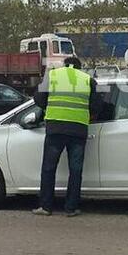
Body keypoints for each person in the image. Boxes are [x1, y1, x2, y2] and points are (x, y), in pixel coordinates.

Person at [32, 56, 96, 217]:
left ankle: (46, 207)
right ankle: (71, 208)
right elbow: (97, 105)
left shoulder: (53, 76)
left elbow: (38, 99)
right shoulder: (88, 80)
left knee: (48, 168)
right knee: (75, 170)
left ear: (64, 65)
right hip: (78, 131)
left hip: (55, 129)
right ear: (80, 67)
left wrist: (50, 108)